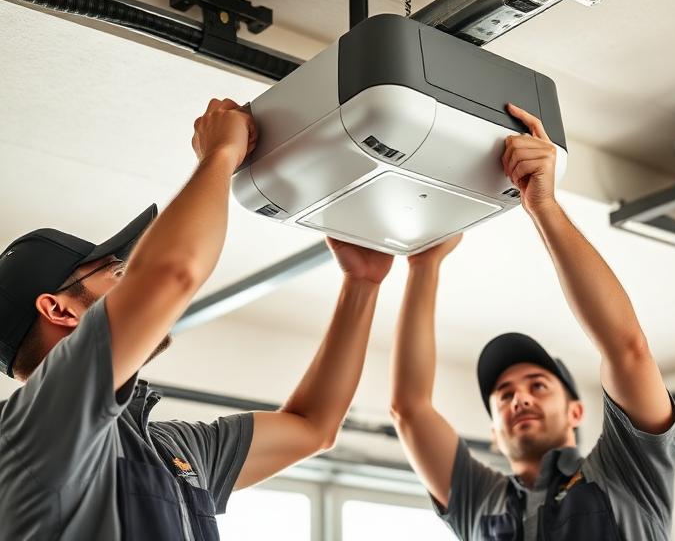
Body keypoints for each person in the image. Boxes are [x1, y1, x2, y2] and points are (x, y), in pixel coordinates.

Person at [0, 98, 394, 540]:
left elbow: (311, 427)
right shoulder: (29, 432)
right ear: (59, 309)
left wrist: (362, 283)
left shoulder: (170, 450)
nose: (131, 285)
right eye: (118, 274)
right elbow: (172, 274)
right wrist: (220, 154)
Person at [390, 103, 675, 541]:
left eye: (538, 385)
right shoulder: (479, 503)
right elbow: (409, 411)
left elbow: (627, 349)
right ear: (494, 433)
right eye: (505, 394)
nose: (520, 399)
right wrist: (423, 266)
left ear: (575, 411)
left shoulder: (627, 473)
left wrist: (543, 205)